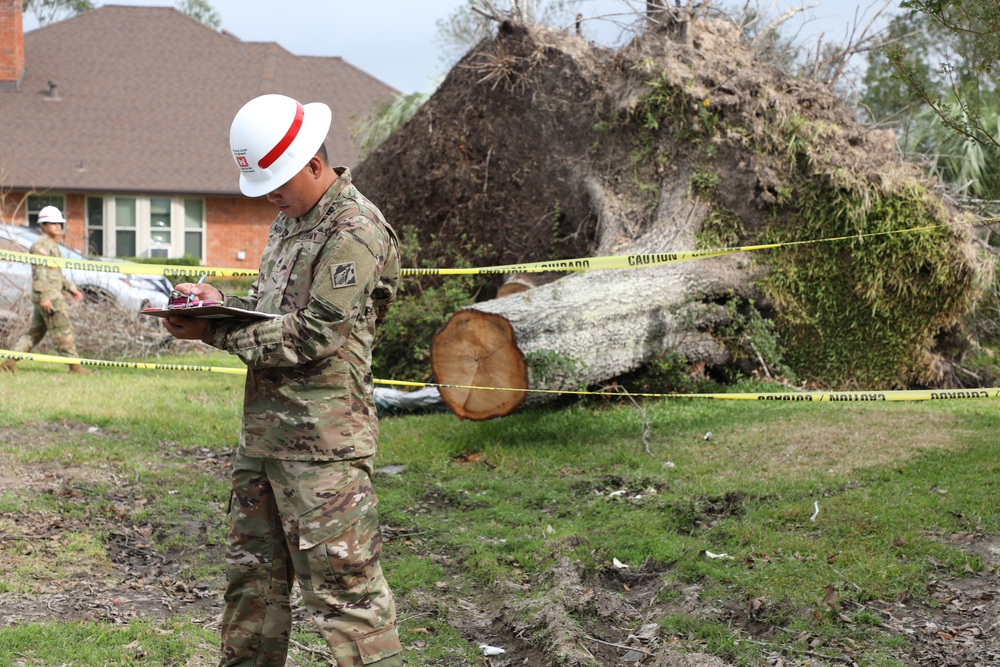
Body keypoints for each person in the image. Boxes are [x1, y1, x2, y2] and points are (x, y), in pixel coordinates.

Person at [161, 94, 402, 667]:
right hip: (265, 441)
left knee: (346, 598)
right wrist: (219, 306)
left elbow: (313, 335)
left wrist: (212, 334)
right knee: (252, 592)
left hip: (323, 451)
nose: (269, 195)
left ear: (315, 164)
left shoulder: (356, 231)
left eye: (277, 182)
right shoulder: (289, 221)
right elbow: (276, 316)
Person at [0, 205, 91, 374]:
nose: (58, 226)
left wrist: (72, 289)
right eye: (52, 223)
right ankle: (75, 367)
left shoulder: (52, 246)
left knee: (33, 334)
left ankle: (8, 363)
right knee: (63, 330)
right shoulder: (40, 246)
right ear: (43, 225)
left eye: (59, 223)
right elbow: (39, 274)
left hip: (52, 293)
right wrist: (44, 297)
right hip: (49, 296)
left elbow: (56, 272)